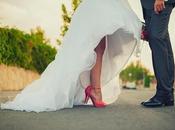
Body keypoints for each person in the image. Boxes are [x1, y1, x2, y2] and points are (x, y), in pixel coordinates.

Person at [1, 0, 142, 112]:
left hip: (103, 5)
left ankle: (95, 89)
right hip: (97, 5)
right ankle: (95, 90)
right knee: (92, 45)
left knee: (98, 45)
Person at [140, 0, 175, 107]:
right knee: (163, 41)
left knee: (156, 39)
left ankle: (163, 93)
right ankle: (167, 94)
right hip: (148, 4)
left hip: (160, 2)